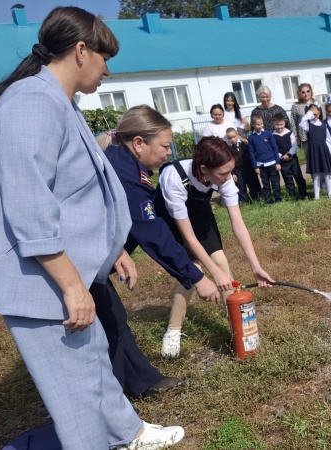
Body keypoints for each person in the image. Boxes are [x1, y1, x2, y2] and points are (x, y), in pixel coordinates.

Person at [0, 7, 183, 449]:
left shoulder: (58, 101)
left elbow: (75, 191)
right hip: (38, 273)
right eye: (104, 57)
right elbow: (30, 209)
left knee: (94, 359)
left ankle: (127, 432)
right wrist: (73, 287)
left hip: (59, 267)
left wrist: (110, 246)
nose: (107, 69)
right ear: (81, 51)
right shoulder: (30, 104)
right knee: (74, 387)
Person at [95, 105, 221, 398]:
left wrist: (117, 252)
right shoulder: (125, 173)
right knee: (105, 326)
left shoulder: (121, 161)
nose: (169, 153)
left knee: (114, 318)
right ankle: (111, 403)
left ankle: (143, 382)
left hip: (92, 259)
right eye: (164, 146)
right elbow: (152, 233)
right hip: (74, 263)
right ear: (138, 143)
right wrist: (197, 278)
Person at [154, 136, 275, 357]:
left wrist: (255, 266)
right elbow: (189, 237)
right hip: (171, 220)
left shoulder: (224, 178)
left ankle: (236, 327)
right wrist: (214, 274)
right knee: (194, 272)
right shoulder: (174, 178)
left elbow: (238, 224)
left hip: (199, 213)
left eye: (230, 172)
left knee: (221, 261)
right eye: (223, 174)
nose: (229, 178)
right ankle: (173, 330)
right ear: (203, 169)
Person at [299, 104, 331, 199]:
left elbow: (329, 140)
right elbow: (302, 123)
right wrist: (309, 114)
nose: (314, 115)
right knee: (316, 175)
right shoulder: (308, 126)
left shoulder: (324, 125)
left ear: (319, 113)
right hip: (314, 152)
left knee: (327, 173)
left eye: (316, 113)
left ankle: (330, 194)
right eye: (312, 114)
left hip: (324, 151)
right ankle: (317, 196)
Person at [272, 114, 308, 200]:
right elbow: (274, 149)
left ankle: (304, 194)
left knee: (298, 177)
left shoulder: (289, 133)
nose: (279, 127)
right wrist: (281, 156)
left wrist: (289, 154)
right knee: (288, 180)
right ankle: (293, 197)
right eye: (277, 125)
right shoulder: (272, 136)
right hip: (282, 161)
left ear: (284, 123)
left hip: (293, 159)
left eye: (281, 124)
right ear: (273, 124)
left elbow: (294, 145)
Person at [248, 116, 282, 203]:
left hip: (272, 163)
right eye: (258, 124)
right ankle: (269, 200)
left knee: (275, 183)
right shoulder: (251, 137)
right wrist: (255, 166)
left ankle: (278, 199)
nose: (260, 126)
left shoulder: (268, 134)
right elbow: (251, 153)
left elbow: (275, 148)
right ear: (252, 125)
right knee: (265, 184)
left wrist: (277, 162)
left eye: (261, 124)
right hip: (261, 165)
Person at [289, 83, 316, 162]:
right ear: (299, 93)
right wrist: (296, 137)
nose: (306, 94)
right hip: (304, 135)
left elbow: (323, 118)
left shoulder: (317, 103)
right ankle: (314, 174)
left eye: (308, 91)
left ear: (311, 92)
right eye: (303, 92)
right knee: (310, 158)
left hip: (317, 133)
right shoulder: (296, 106)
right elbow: (293, 122)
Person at [225, 127, 252, 203]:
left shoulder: (244, 144)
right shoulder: (229, 149)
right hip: (238, 170)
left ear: (237, 135)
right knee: (240, 186)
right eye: (230, 138)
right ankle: (244, 201)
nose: (233, 139)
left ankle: (256, 197)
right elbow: (230, 162)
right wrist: (232, 173)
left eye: (234, 137)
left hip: (248, 168)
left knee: (252, 184)